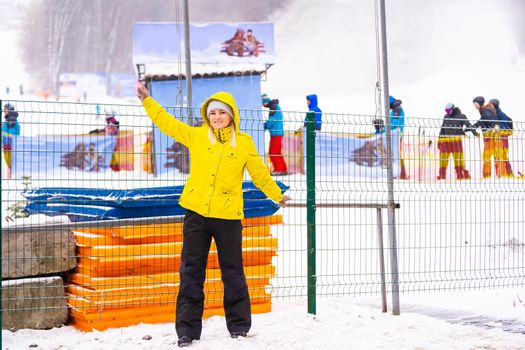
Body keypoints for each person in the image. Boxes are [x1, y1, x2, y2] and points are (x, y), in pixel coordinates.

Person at [136, 83, 290, 348]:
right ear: (207, 116)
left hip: (228, 216)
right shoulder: (197, 136)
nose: (217, 117)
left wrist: (277, 194)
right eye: (212, 113)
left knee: (232, 272)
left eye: (222, 112)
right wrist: (148, 101)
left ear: (231, 115)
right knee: (191, 272)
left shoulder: (243, 143)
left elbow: (259, 174)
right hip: (196, 214)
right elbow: (167, 124)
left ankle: (239, 327)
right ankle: (187, 331)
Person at [437, 103, 478, 180]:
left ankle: (460, 174)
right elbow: (442, 129)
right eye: (446, 110)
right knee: (443, 159)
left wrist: (474, 132)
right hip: (446, 141)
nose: (447, 112)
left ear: (453, 109)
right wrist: (439, 140)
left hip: (456, 142)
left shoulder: (461, 116)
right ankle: (442, 175)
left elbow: (468, 124)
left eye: (448, 110)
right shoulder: (446, 117)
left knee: (458, 159)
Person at [472, 96, 499, 178]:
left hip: (489, 135)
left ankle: (487, 175)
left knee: (486, 156)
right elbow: (481, 121)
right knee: (494, 155)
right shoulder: (484, 110)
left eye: (475, 104)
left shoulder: (485, 110)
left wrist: (493, 126)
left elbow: (490, 119)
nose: (475, 106)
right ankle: (498, 174)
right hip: (489, 135)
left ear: (479, 104)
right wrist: (473, 127)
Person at [262, 93, 288, 175]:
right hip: (277, 132)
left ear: (265, 101)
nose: (262, 105)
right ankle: (283, 169)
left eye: (263, 103)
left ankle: (279, 170)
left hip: (276, 133)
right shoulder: (274, 106)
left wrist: (264, 126)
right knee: (276, 152)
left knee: (273, 152)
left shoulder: (273, 107)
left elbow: (272, 121)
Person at [490, 98, 513, 177]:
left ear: (493, 105)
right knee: (498, 156)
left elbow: (503, 126)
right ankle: (501, 174)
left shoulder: (500, 114)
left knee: (502, 156)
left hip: (502, 139)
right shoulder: (494, 114)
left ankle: (506, 173)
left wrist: (497, 127)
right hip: (498, 139)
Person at [388, 96, 408, 179]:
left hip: (395, 135)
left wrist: (387, 129)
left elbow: (394, 124)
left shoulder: (397, 109)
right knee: (395, 153)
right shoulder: (395, 109)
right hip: (394, 134)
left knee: (396, 154)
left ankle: (401, 173)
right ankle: (400, 173)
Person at [2, 103, 20, 175]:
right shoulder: (10, 118)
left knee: (9, 163)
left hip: (9, 144)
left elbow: (11, 133)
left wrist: (7, 143)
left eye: (5, 109)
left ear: (9, 110)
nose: (4, 111)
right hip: (8, 144)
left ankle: (10, 176)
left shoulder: (11, 119)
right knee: (9, 163)